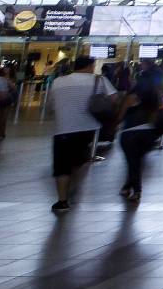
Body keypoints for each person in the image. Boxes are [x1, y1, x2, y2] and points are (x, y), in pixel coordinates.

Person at [48, 56, 118, 213]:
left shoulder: (58, 81)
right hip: (89, 129)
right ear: (90, 66)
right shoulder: (99, 80)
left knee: (61, 166)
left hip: (63, 129)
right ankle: (73, 186)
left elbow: (51, 105)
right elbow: (114, 99)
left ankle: (62, 200)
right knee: (80, 160)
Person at [118, 88, 163, 202]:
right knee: (136, 161)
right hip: (150, 135)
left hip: (130, 134)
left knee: (133, 162)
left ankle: (137, 190)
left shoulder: (131, 97)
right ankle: (127, 187)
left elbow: (120, 117)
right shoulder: (155, 97)